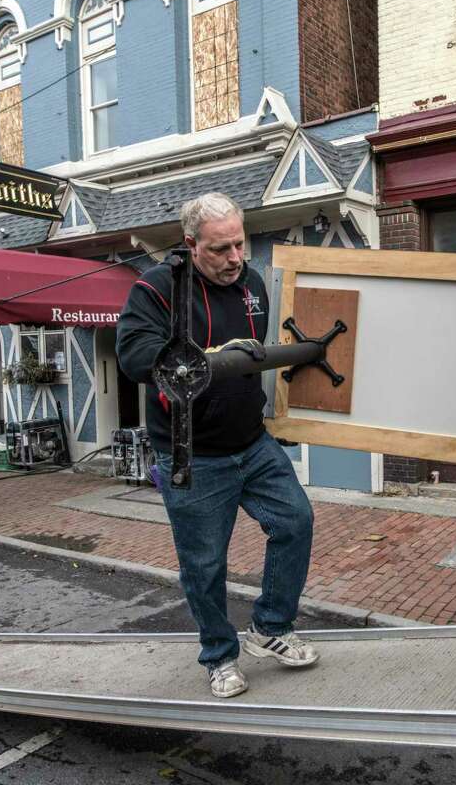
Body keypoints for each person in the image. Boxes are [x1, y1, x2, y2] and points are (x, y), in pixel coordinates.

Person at [117, 192, 318, 699]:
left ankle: (270, 628)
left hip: (252, 441)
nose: (235, 258)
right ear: (191, 244)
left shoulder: (251, 282)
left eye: (239, 244)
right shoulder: (157, 289)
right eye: (220, 249)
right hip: (193, 453)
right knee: (205, 564)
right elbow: (135, 355)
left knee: (295, 521)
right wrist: (208, 356)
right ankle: (219, 656)